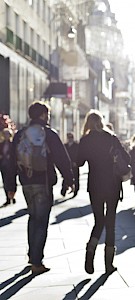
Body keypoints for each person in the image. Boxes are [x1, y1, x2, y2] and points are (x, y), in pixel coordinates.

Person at [9, 101, 74, 274]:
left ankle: (33, 255)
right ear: (44, 115)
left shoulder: (20, 134)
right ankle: (37, 262)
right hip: (43, 183)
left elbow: (10, 160)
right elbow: (62, 158)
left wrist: (10, 185)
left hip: (26, 182)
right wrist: (68, 179)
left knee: (33, 218)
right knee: (41, 221)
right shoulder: (49, 134)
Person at [76, 110, 130, 274]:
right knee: (111, 223)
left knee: (99, 221)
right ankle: (108, 264)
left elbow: (79, 162)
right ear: (101, 122)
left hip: (95, 185)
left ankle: (90, 251)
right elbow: (127, 159)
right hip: (112, 185)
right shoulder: (111, 138)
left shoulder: (86, 140)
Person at [61, 132, 79, 198]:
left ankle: (76, 190)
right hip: (67, 164)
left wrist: (76, 162)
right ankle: (64, 189)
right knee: (65, 176)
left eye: (71, 137)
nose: (70, 139)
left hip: (74, 164)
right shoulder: (65, 146)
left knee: (76, 177)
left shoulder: (76, 145)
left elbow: (78, 154)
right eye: (69, 137)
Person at [0, 128, 15, 205]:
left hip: (11, 166)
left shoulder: (12, 144)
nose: (6, 136)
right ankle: (8, 198)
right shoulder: (1, 144)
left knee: (12, 182)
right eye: (5, 134)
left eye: (7, 134)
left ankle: (12, 195)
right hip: (3, 165)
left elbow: (15, 154)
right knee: (5, 182)